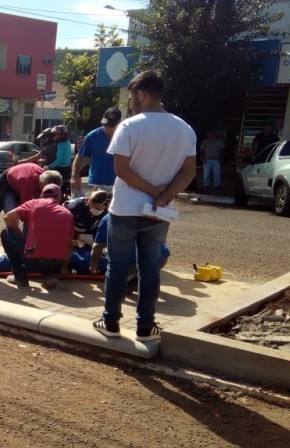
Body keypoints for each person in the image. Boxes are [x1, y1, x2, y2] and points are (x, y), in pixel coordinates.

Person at [93, 70, 196, 343]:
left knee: (117, 265)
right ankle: (145, 326)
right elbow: (188, 172)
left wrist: (152, 191)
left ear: (141, 94)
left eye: (130, 97)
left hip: (126, 208)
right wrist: (164, 196)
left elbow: (122, 170)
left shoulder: (129, 126)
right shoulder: (184, 129)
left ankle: (110, 322)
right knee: (149, 268)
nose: (129, 103)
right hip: (158, 212)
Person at [0, 183, 74, 289]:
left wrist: (20, 235)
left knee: (5, 233)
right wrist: (64, 268)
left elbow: (7, 218)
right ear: (59, 197)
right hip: (56, 264)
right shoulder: (68, 214)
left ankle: (20, 277)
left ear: (42, 195)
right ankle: (49, 275)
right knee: (49, 247)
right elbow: (69, 243)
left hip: (32, 262)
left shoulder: (34, 204)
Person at [71, 107, 122, 197]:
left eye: (110, 126)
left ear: (119, 123)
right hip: (95, 185)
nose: (106, 128)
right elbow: (79, 157)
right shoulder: (92, 136)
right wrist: (74, 176)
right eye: (105, 125)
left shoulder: (125, 137)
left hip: (117, 186)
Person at [45, 125, 73, 195]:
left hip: (60, 169)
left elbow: (59, 160)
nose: (55, 136)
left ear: (63, 135)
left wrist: (49, 166)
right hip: (68, 168)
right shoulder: (68, 143)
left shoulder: (60, 144)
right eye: (55, 134)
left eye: (57, 134)